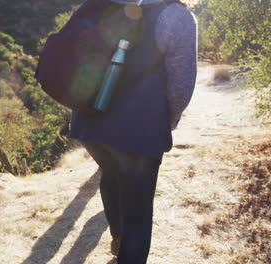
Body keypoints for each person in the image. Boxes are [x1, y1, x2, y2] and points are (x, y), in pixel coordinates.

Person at [69, 0, 198, 263]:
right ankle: (125, 249)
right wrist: (166, 123)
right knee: (138, 213)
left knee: (113, 175)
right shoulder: (176, 15)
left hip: (88, 123)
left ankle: (118, 240)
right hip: (139, 129)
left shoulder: (106, 4)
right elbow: (181, 85)